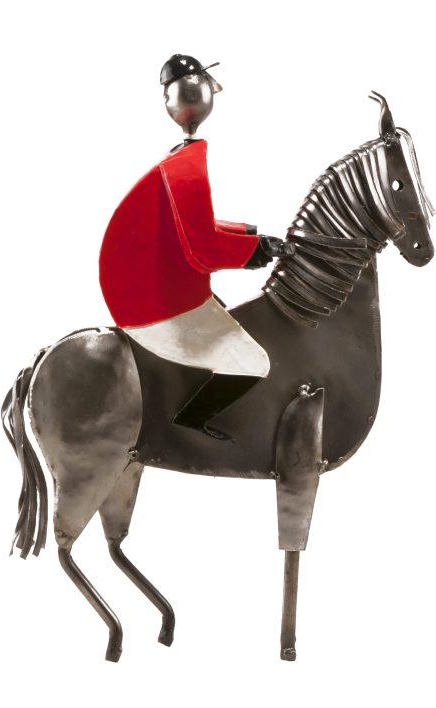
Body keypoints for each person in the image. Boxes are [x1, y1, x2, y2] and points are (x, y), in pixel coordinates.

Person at [99, 54, 292, 440]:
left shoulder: (179, 160)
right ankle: (190, 425)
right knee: (254, 362)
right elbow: (201, 249)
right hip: (153, 306)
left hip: (148, 291)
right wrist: (255, 251)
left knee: (232, 323)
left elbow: (190, 227)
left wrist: (251, 235)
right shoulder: (186, 164)